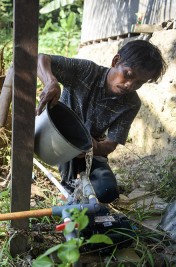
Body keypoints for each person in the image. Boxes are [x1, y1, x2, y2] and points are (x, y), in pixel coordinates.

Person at [36, 40, 166, 203]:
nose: (129, 85)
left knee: (107, 192)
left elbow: (110, 144)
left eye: (139, 83)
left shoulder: (131, 103)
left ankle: (79, 190)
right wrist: (50, 81)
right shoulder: (86, 71)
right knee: (70, 183)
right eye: (128, 74)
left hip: (89, 149)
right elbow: (41, 58)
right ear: (116, 61)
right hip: (56, 136)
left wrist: (94, 147)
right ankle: (69, 189)